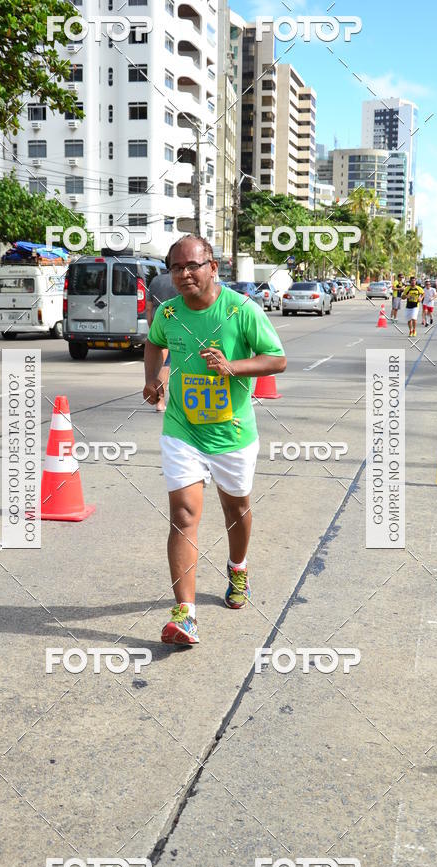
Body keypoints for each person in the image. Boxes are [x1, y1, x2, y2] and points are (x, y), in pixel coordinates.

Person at [144, 235, 287, 646]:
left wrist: (232, 367)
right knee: (183, 515)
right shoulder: (168, 313)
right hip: (182, 430)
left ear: (212, 267)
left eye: (192, 265)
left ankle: (238, 568)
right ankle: (185, 615)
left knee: (236, 508)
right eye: (176, 267)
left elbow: (276, 359)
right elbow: (153, 344)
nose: (184, 274)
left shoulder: (242, 310)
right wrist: (152, 379)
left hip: (232, 434)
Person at [146, 271, 177, 411]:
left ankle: (159, 401)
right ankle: (161, 401)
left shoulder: (156, 280)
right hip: (175, 325)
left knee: (162, 364)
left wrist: (151, 326)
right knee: (166, 365)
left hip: (158, 323)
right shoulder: (181, 280)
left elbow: (148, 307)